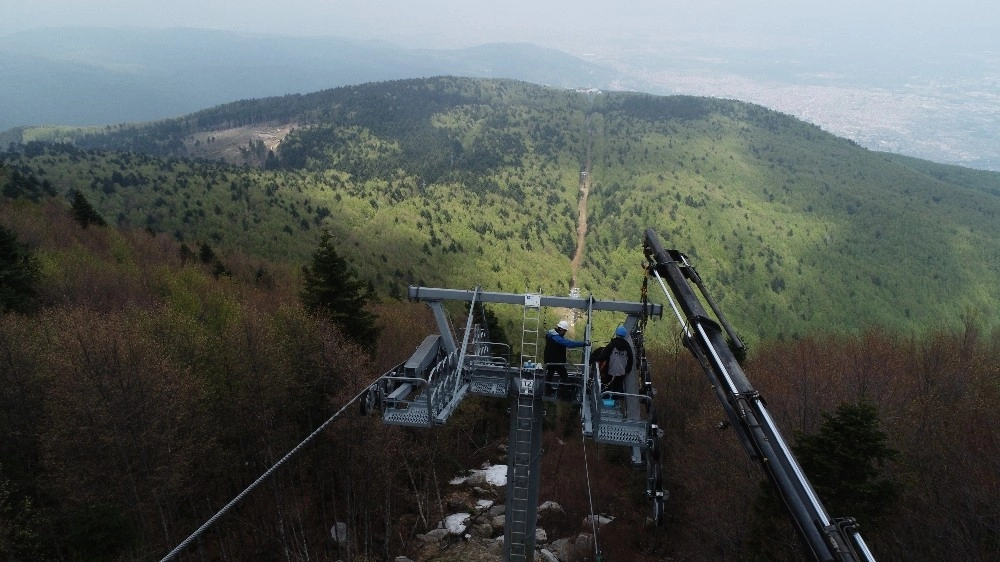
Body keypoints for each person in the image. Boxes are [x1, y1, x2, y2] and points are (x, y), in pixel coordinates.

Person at [544, 320, 588, 396]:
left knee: (550, 375)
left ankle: (548, 390)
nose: (565, 333)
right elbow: (569, 344)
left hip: (550, 360)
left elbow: (563, 342)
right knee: (564, 376)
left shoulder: (551, 334)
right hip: (556, 362)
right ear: (561, 330)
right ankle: (566, 393)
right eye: (565, 331)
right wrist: (584, 343)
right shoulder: (556, 338)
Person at [594, 325, 634, 396]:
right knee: (617, 389)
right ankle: (615, 400)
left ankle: (603, 400)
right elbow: (630, 359)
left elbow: (604, 356)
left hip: (610, 370)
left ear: (616, 333)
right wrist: (627, 370)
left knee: (606, 386)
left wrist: (595, 359)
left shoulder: (612, 345)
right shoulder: (627, 346)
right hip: (621, 371)